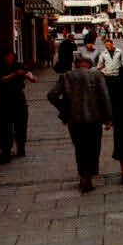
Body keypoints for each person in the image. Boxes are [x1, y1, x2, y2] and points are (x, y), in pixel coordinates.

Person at [47, 55, 112, 193]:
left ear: (76, 64)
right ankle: (89, 176)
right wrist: (108, 117)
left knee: (80, 148)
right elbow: (104, 97)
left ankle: (83, 176)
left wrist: (64, 109)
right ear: (89, 64)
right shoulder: (96, 75)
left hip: (74, 120)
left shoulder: (66, 76)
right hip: (94, 120)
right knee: (93, 148)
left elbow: (51, 95)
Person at [0, 49, 37, 163]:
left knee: (21, 124)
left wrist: (31, 77)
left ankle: (21, 147)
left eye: (11, 56)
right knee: (5, 127)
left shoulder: (18, 65)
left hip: (18, 99)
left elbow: (27, 73)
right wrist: (14, 74)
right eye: (7, 56)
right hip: (5, 100)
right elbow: (1, 79)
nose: (9, 58)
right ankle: (6, 150)